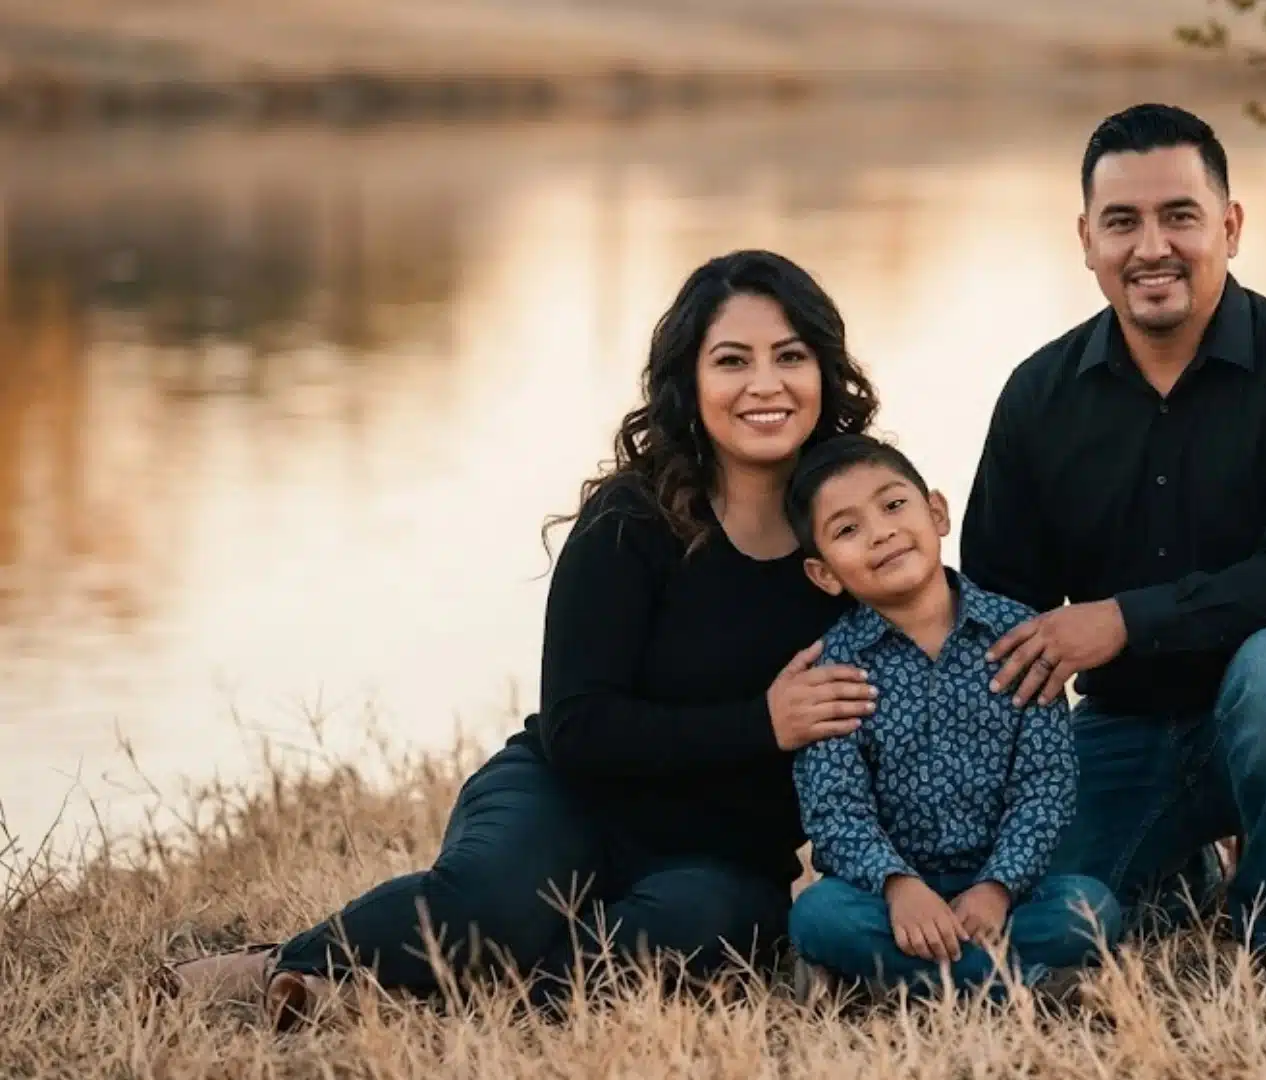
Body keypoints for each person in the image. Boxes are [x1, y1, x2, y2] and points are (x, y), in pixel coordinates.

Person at [151, 249, 884, 1027]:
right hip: (570, 798)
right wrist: (761, 723)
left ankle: (482, 999)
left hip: (721, 858)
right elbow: (577, 728)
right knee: (491, 909)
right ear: (690, 383)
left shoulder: (859, 532)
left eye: (790, 357)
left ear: (824, 373)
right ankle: (288, 963)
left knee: (693, 937)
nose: (764, 385)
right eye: (732, 360)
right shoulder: (631, 521)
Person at [958, 102, 1266, 967]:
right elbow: (1001, 609)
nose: (1151, 247)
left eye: (1179, 216)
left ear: (1229, 226)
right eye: (1122, 222)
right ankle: (1176, 874)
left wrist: (1123, 619)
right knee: (1049, 916)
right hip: (1120, 728)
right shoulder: (1039, 398)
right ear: (1086, 240)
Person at [781, 434, 1121, 1000]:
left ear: (936, 512)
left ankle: (890, 981)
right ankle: (1023, 985)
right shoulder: (835, 667)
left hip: (1006, 892)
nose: (881, 532)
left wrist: (997, 887)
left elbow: (1046, 785)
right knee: (818, 914)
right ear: (825, 574)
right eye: (847, 529)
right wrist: (899, 888)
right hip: (886, 896)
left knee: (1091, 909)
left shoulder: (1019, 636)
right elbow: (834, 804)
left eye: (894, 505)